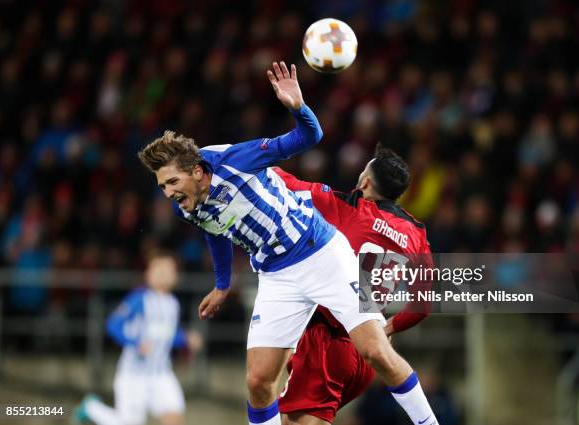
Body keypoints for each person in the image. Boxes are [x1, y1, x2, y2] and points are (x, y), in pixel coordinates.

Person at [137, 61, 438, 425]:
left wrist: (298, 108)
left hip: (321, 254)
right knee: (258, 381)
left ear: (197, 171)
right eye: (162, 187)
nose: (168, 193)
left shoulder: (236, 160)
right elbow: (213, 228)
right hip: (277, 275)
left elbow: (308, 138)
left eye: (171, 182)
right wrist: (221, 285)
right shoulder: (188, 203)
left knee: (375, 350)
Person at [274, 144, 434, 425]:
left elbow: (286, 183)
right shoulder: (416, 232)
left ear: (365, 181)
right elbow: (422, 306)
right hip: (366, 350)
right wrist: (388, 328)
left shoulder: (348, 207)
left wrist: (248, 157)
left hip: (327, 340)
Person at [73, 251, 202, 425]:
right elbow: (113, 324)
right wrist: (134, 343)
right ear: (148, 274)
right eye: (159, 270)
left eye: (168, 271)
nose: (164, 275)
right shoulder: (139, 299)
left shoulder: (173, 304)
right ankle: (91, 408)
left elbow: (168, 335)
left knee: (174, 417)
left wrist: (186, 339)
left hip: (161, 373)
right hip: (134, 374)